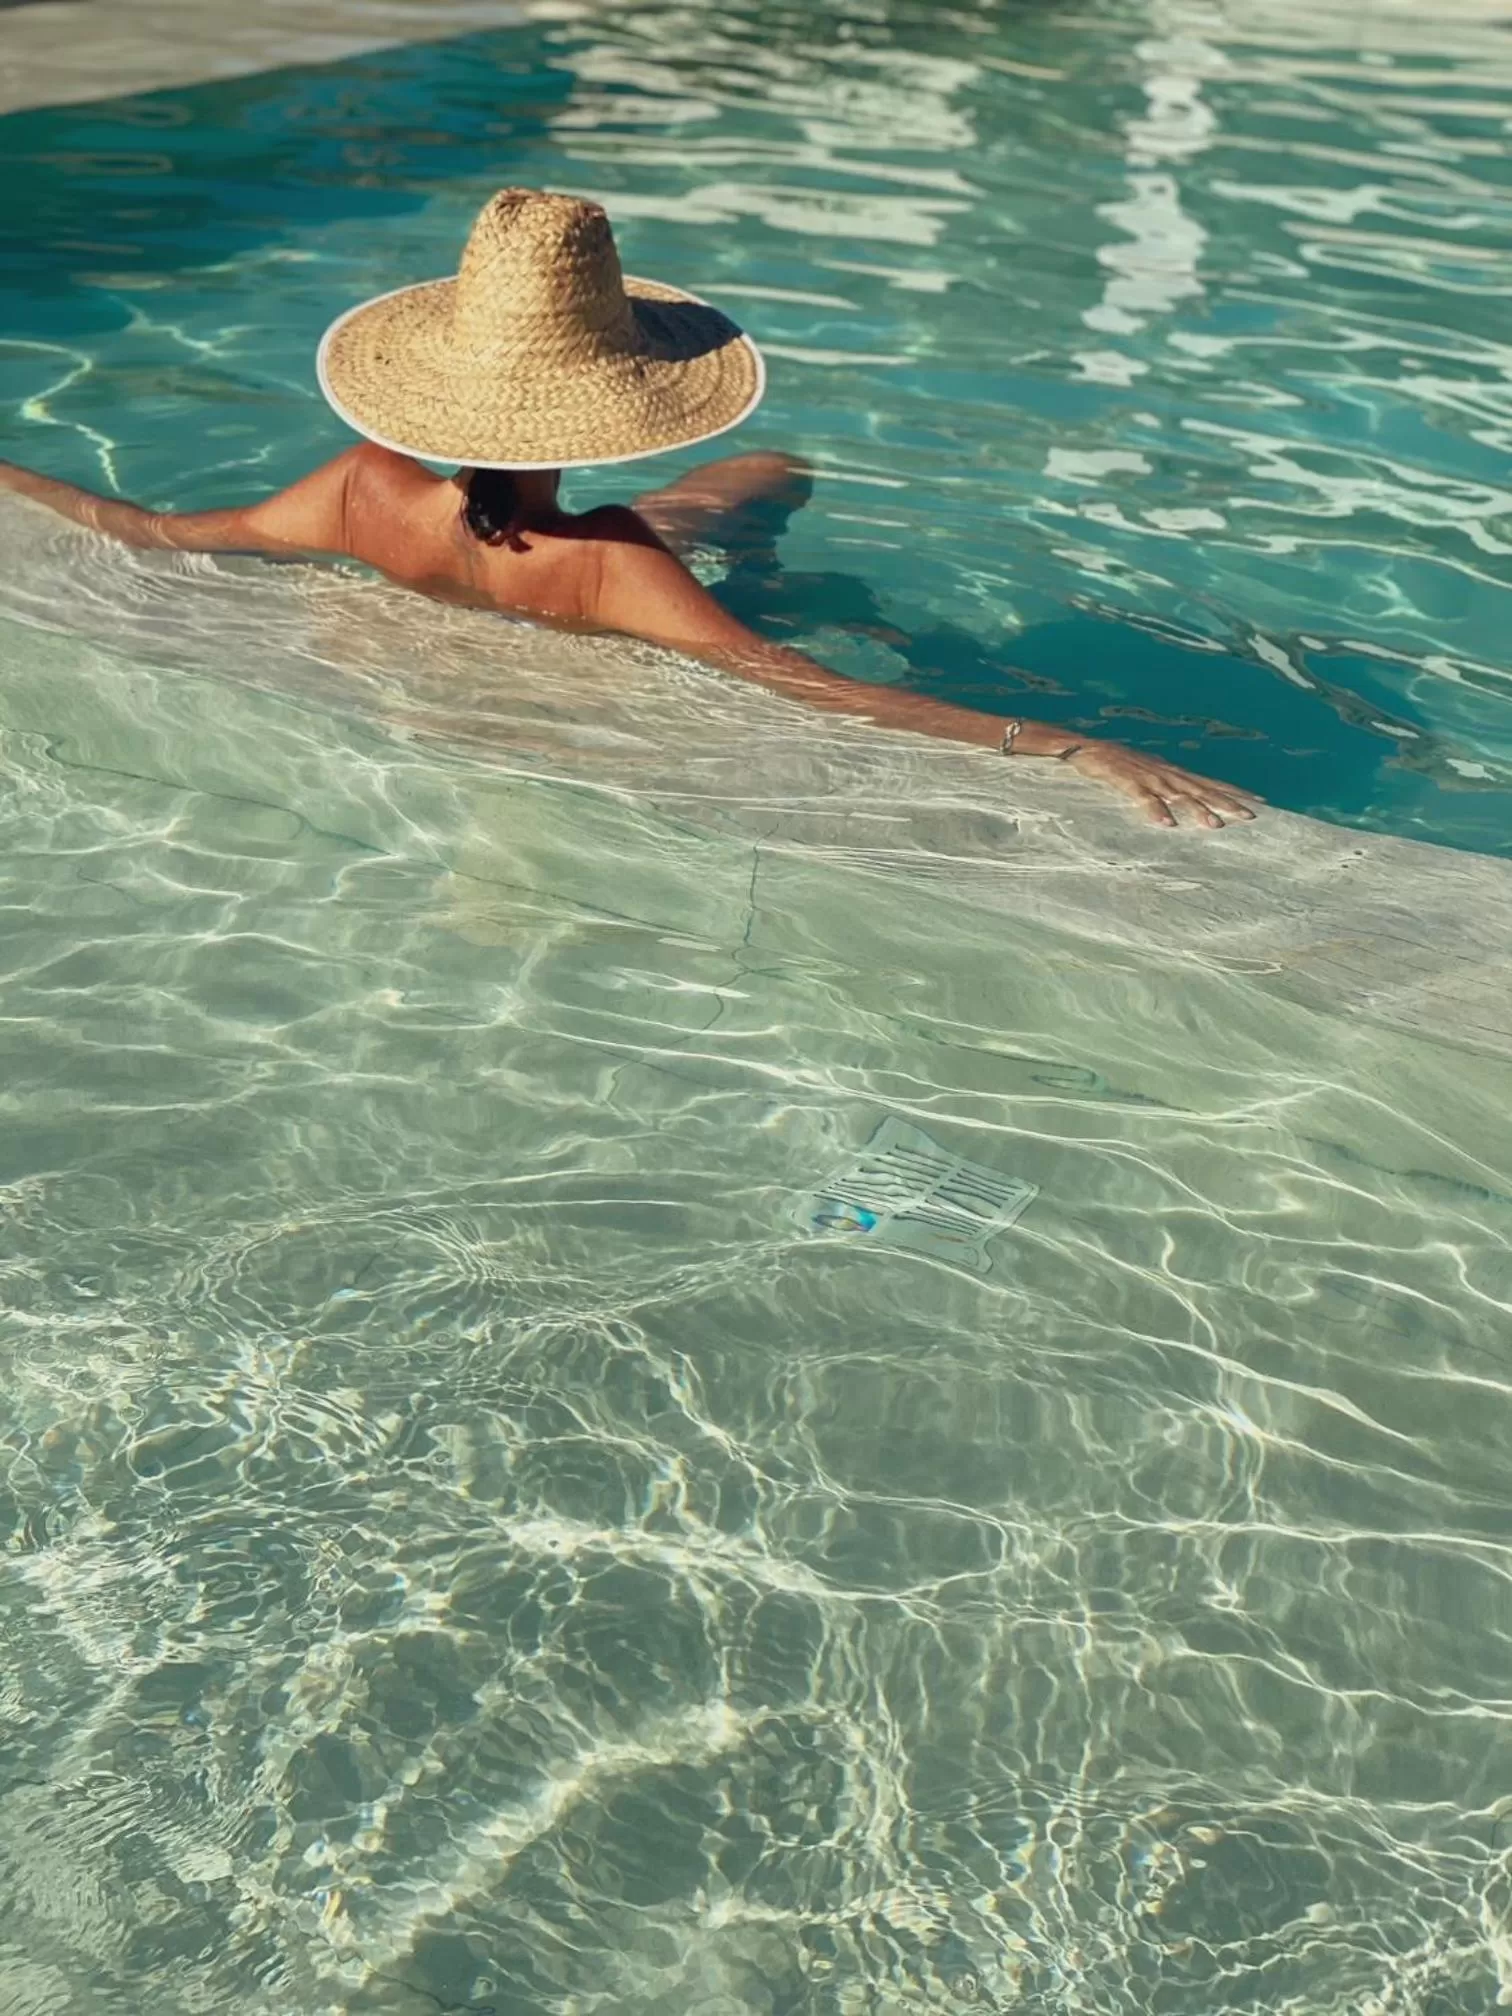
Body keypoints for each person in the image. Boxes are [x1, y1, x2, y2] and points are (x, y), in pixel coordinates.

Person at [0, 187, 1257, 830]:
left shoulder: (359, 488)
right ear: (612, 401)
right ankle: (767, 568)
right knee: (777, 474)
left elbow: (147, 532)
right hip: (598, 588)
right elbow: (807, 687)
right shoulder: (606, 559)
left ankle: (757, 562)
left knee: (752, 492)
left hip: (483, 563)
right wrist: (1069, 745)